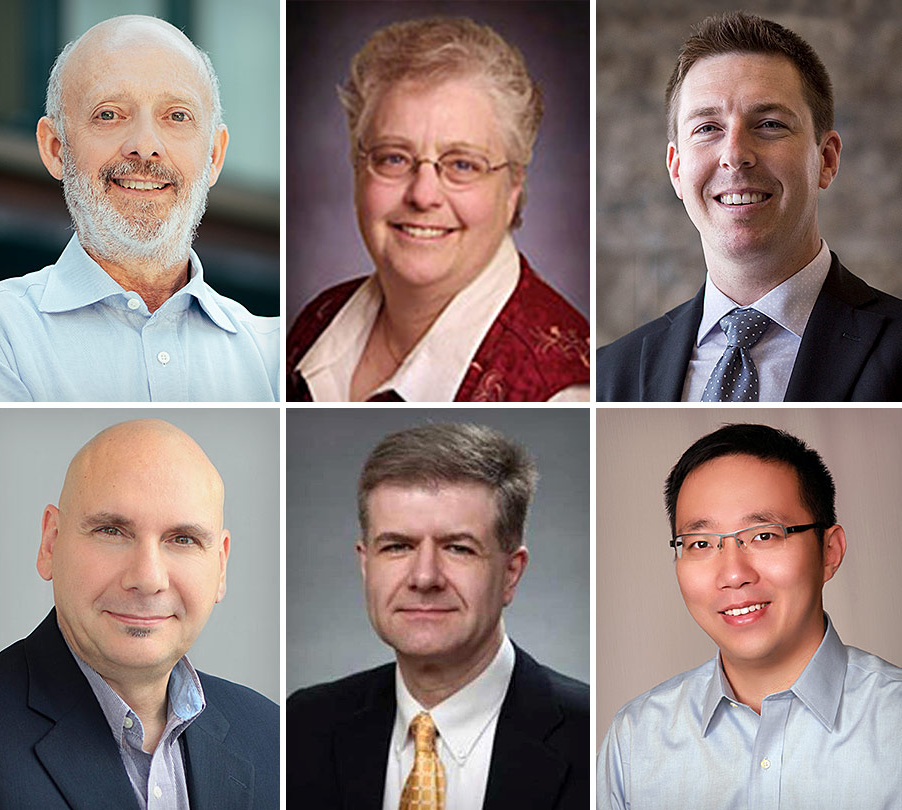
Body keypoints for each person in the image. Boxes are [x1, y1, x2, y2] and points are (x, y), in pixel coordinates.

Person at [598, 12, 902, 401]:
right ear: (676, 170)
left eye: (770, 124)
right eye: (707, 128)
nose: (735, 154)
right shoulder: (610, 373)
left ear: (826, 159)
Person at [0, 15, 280, 402]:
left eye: (177, 116)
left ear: (214, 156)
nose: (145, 145)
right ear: (55, 149)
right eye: (109, 114)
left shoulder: (276, 356)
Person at [0, 419, 278, 808]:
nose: (148, 578)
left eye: (182, 539)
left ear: (220, 566)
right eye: (111, 531)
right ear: (50, 543)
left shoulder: (273, 735)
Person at [598, 424, 902, 807]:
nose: (734, 575)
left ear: (829, 551)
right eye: (701, 543)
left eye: (764, 536)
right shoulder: (635, 740)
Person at [287, 18, 589, 403]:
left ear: (513, 185)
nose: (423, 194)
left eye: (462, 164)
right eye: (394, 157)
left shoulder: (565, 392)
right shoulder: (317, 321)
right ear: (357, 166)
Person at [289, 423, 588, 809]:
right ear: (366, 565)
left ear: (511, 572)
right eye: (397, 546)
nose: (424, 577)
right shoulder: (302, 727)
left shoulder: (591, 736)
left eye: (458, 548)